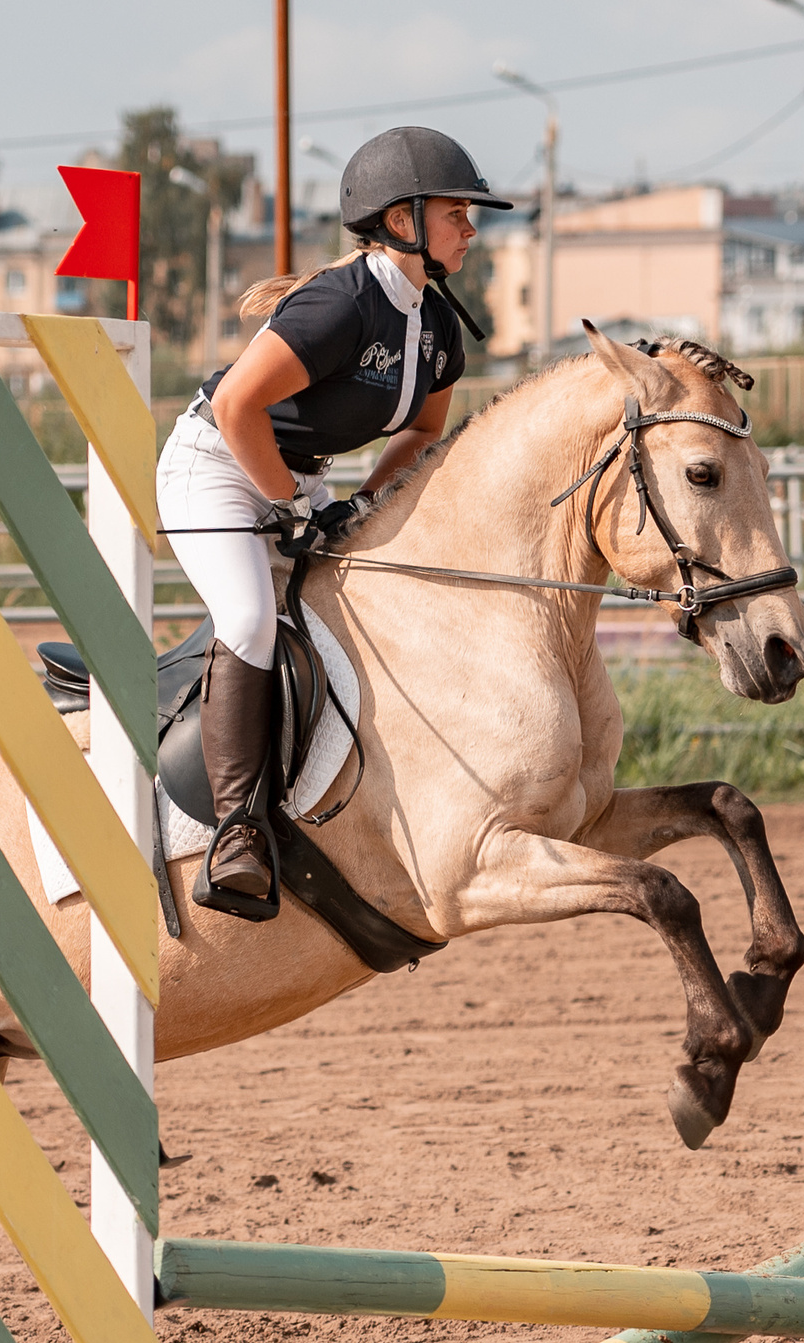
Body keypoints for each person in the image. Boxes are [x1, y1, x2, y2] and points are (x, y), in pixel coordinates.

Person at [155, 125, 509, 920]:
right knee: (250, 618)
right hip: (215, 464)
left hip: (294, 479)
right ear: (402, 221)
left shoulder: (437, 328)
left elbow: (421, 433)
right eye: (457, 212)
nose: (471, 227)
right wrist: (287, 507)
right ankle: (237, 833)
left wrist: (365, 505)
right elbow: (242, 405)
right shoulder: (342, 303)